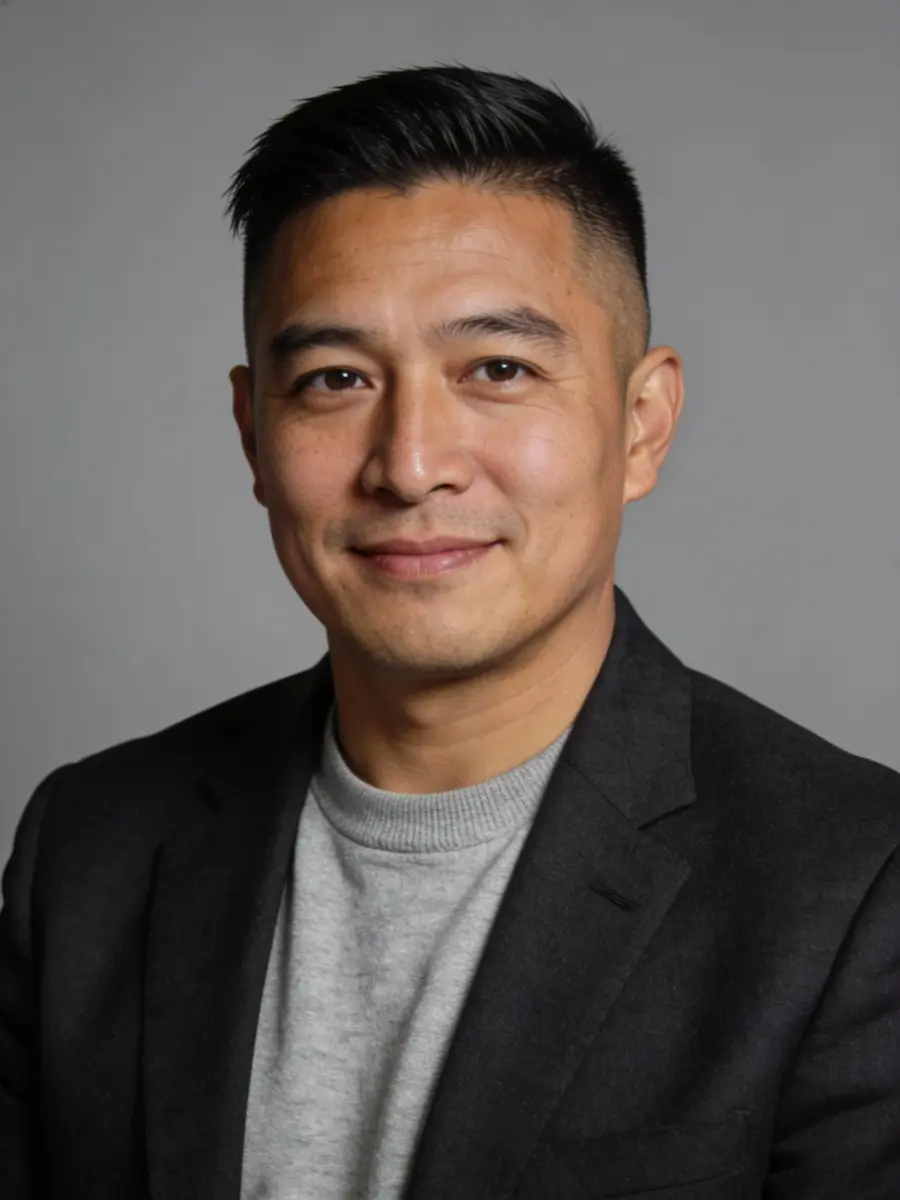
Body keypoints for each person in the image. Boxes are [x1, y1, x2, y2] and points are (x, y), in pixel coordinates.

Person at [1, 63, 899, 1200]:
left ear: (641, 423)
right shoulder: (89, 852)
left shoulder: (858, 892)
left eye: (499, 369)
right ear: (251, 433)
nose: (411, 463)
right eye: (334, 379)